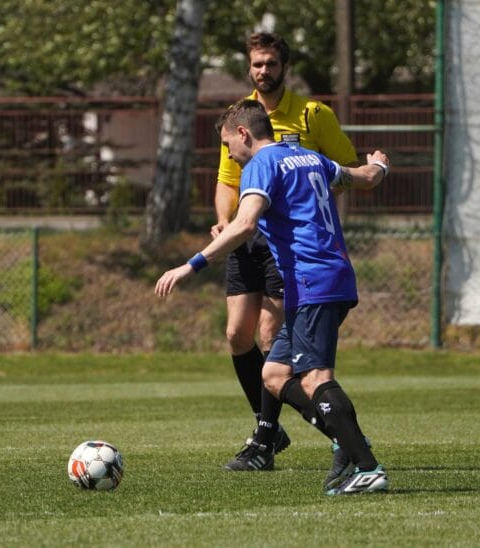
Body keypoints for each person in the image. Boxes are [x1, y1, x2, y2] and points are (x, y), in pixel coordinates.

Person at [155, 99, 389, 495]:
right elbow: (364, 178)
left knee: (315, 378)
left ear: (244, 134)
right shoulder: (309, 157)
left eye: (230, 146)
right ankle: (350, 441)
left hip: (312, 279)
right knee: (275, 374)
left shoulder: (262, 165)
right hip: (327, 278)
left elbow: (245, 224)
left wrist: (190, 265)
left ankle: (367, 466)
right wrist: (380, 165)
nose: (231, 155)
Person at [213, 31, 359, 474]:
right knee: (238, 334)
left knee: (269, 336)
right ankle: (279, 430)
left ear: (284, 67)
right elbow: (227, 180)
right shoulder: (242, 116)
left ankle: (264, 436)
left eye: (270, 64)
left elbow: (346, 168)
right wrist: (224, 220)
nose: (263, 71)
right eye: (257, 64)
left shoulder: (312, 115)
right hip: (245, 232)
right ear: (249, 66)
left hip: (286, 240)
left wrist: (322, 223)